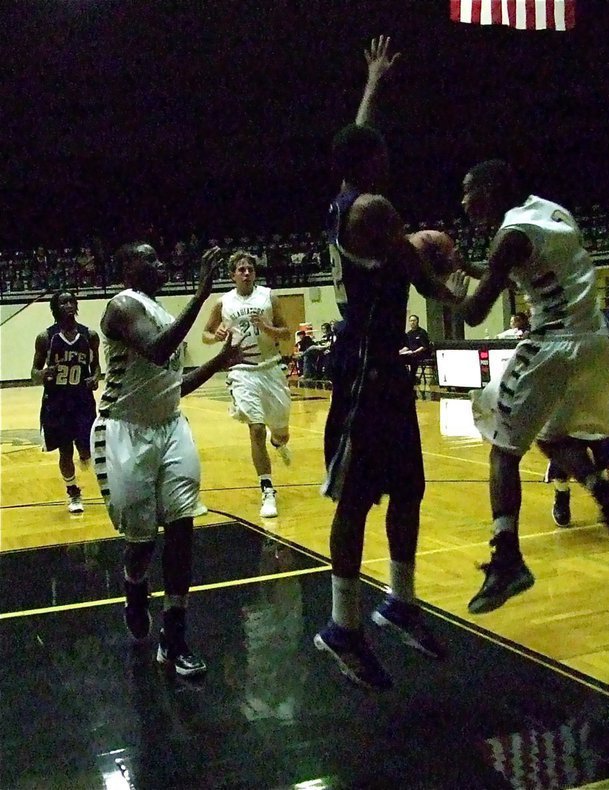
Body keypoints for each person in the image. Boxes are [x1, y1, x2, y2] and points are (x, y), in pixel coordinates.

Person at [313, 36, 467, 691]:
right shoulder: (375, 211)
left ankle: (400, 600)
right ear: (372, 164)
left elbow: (361, 131)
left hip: (388, 372)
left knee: (409, 489)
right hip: (363, 373)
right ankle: (342, 625)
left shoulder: (350, 192)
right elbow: (431, 285)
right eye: (383, 149)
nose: (388, 150)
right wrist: (466, 272)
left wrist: (373, 79)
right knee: (355, 502)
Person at [457, 159, 609, 615]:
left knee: (503, 450)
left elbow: (473, 313)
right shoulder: (549, 213)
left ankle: (507, 560)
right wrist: (467, 263)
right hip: (595, 344)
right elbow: (516, 265)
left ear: (492, 189)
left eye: (469, 192)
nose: (464, 203)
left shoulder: (510, 236)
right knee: (551, 435)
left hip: (553, 344)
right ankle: (607, 499)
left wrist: (442, 277)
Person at [92, 243, 242, 677]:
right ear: (127, 269)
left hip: (171, 428)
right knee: (142, 542)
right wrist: (200, 296)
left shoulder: (160, 311)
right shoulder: (121, 307)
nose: (159, 265)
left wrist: (218, 361)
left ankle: (174, 638)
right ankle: (134, 586)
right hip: (125, 431)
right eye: (149, 260)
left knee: (181, 526)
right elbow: (157, 351)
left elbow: (173, 385)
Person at [202, 250, 292, 518]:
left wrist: (267, 327)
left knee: (281, 433)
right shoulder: (223, 303)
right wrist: (216, 335)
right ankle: (267, 489)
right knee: (255, 429)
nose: (246, 273)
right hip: (241, 371)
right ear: (232, 275)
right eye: (241, 269)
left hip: (271, 368)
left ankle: (279, 443)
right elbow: (205, 335)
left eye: (250, 269)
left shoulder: (269, 297)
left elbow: (286, 332)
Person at [547, 307, 609, 528]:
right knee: (566, 458)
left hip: (607, 398)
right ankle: (561, 495)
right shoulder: (554, 321)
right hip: (569, 401)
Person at [31, 291, 101, 513]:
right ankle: (73, 493)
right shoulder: (46, 338)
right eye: (64, 303)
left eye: (72, 301)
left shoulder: (90, 335)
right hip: (57, 402)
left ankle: (84, 455)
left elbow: (96, 366)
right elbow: (33, 372)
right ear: (55, 308)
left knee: (86, 449)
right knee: (65, 451)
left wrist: (96, 378)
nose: (69, 305)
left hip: (82, 400)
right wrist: (43, 374)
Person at [398, 314, 431, 379]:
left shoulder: (422, 332)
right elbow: (407, 346)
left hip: (421, 353)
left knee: (413, 358)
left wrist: (415, 352)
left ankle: (412, 377)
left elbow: (424, 346)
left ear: (417, 321)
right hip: (410, 353)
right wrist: (400, 351)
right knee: (399, 358)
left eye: (414, 320)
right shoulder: (408, 334)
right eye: (411, 321)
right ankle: (404, 377)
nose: (412, 322)